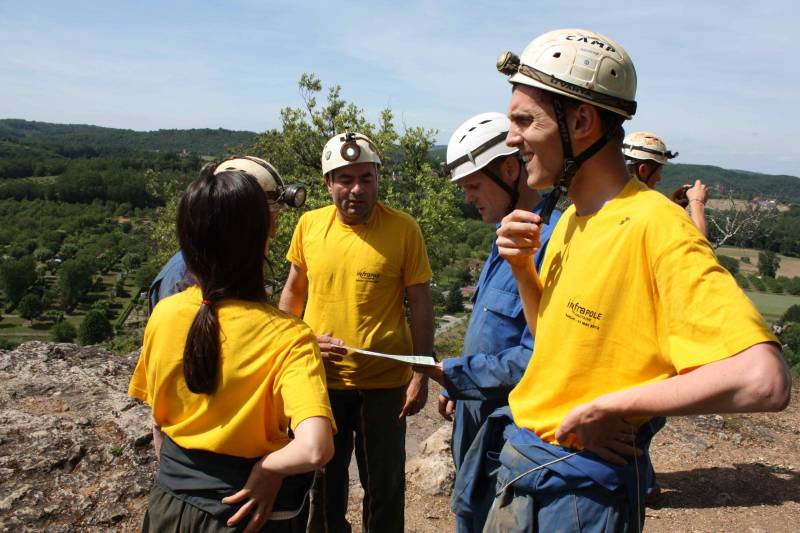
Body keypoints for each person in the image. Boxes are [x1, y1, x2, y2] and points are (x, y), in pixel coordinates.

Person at [485, 28, 791, 531]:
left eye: (524, 120)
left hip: (579, 499)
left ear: (581, 120)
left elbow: (763, 379)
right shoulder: (572, 221)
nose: (512, 138)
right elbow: (555, 344)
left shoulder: (656, 225)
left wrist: (614, 406)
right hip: (530, 469)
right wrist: (523, 270)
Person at [129, 163, 335, 532]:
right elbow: (316, 448)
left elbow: (160, 421)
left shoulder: (165, 313)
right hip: (250, 516)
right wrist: (268, 467)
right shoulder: (290, 337)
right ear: (265, 236)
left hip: (169, 507)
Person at [278, 130, 434, 533]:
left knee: (384, 487)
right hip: (321, 382)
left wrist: (421, 371)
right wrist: (297, 344)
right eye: (345, 179)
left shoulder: (403, 230)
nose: (357, 189)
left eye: (367, 178)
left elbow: (420, 303)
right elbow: (292, 294)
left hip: (384, 387)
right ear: (328, 183)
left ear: (379, 180)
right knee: (324, 486)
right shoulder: (310, 226)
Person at [416, 112, 560, 533]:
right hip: (477, 427)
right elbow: (493, 333)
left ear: (511, 170)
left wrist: (457, 373)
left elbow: (543, 354)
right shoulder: (506, 238)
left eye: (474, 186)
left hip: (510, 443)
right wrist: (463, 390)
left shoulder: (548, 244)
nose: (467, 198)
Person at [147, 155, 307, 311]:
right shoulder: (182, 278)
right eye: (270, 220)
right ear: (241, 224)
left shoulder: (209, 270)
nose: (273, 232)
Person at [622, 131, 709, 237]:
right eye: (659, 171)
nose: (659, 178)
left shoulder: (605, 199)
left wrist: (671, 203)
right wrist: (697, 203)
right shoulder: (651, 209)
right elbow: (698, 248)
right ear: (643, 170)